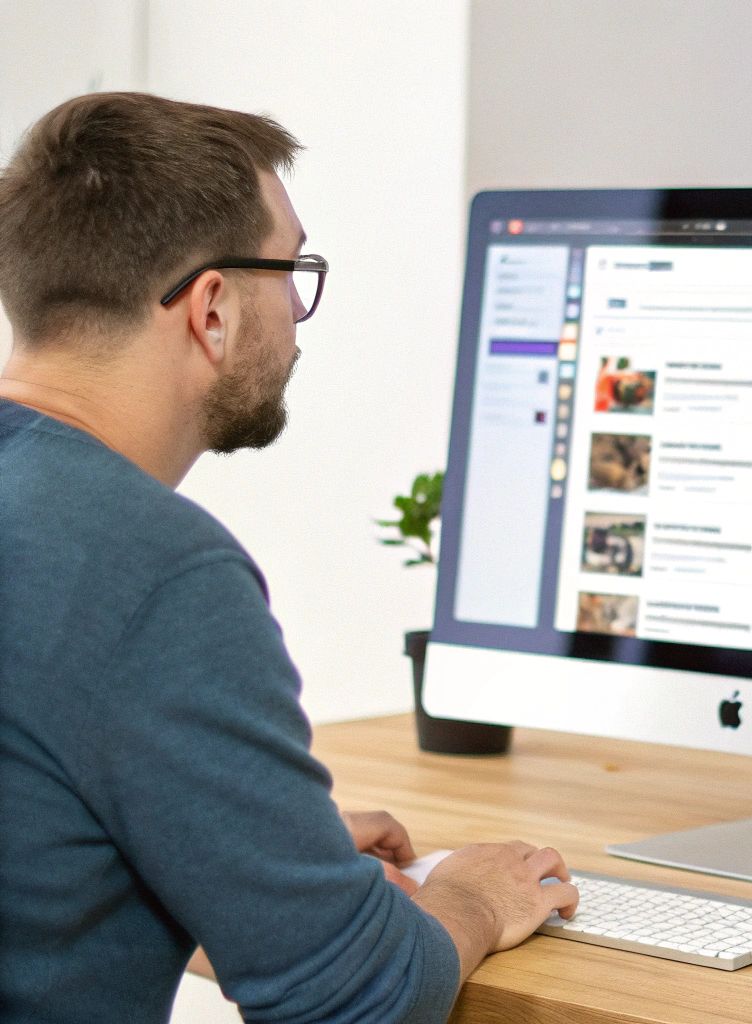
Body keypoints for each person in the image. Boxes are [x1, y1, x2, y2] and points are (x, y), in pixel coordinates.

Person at [0, 93, 578, 1023]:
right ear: (214, 309)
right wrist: (471, 898)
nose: (299, 317)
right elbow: (351, 998)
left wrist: (257, 850)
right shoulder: (153, 570)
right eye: (291, 269)